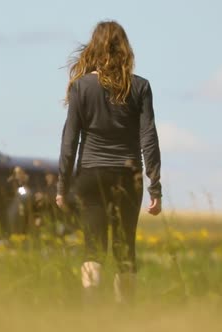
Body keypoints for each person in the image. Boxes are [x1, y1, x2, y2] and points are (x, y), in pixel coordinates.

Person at [55, 20, 162, 304]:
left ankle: (92, 316)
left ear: (94, 48)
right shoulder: (140, 87)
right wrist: (155, 187)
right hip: (128, 176)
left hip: (90, 176)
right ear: (125, 50)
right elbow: (148, 137)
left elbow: (69, 142)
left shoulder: (81, 87)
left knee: (93, 249)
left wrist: (62, 186)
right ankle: (124, 320)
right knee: (124, 249)